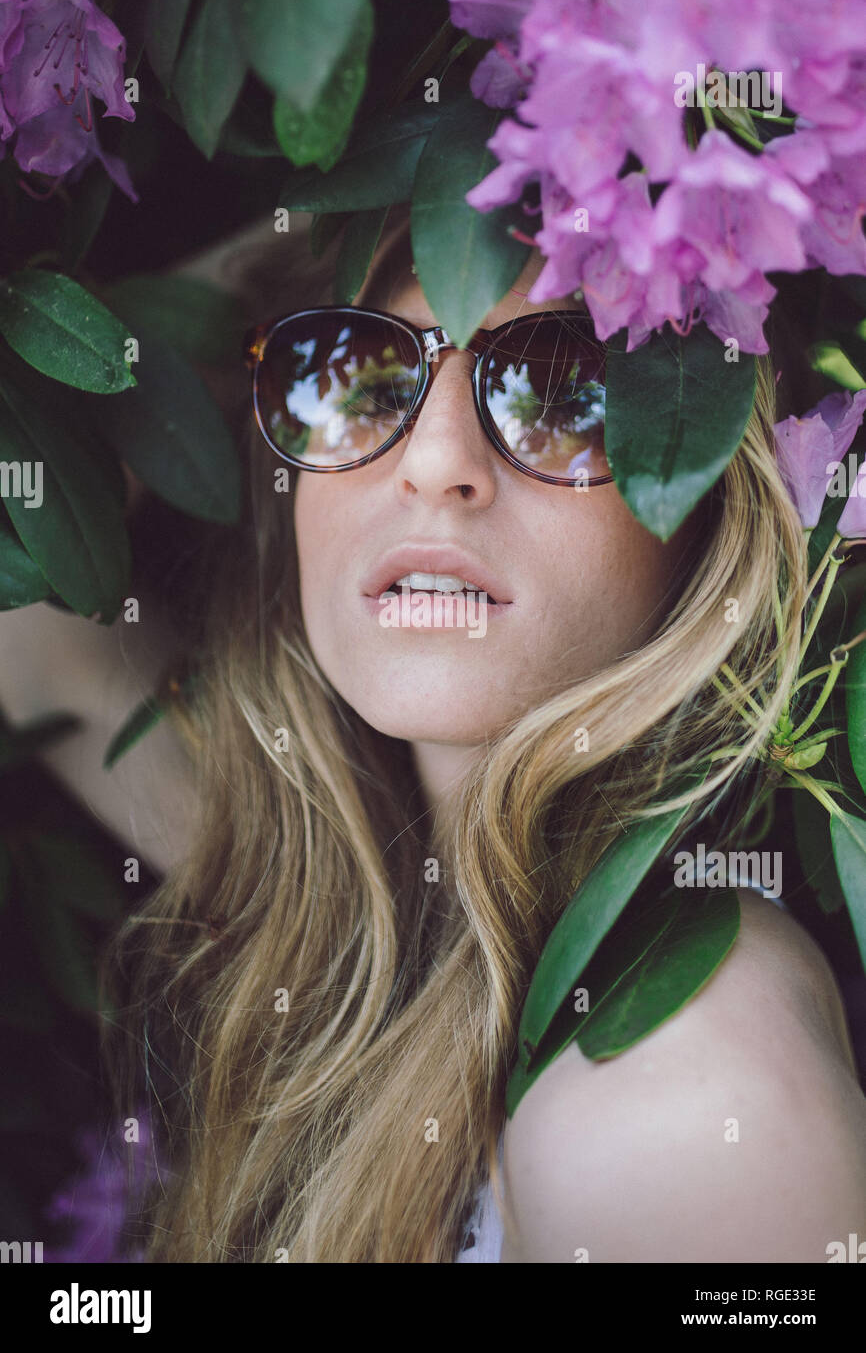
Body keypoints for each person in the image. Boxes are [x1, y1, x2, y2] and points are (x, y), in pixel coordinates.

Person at [3, 204, 865, 1263]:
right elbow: (25, 625)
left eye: (562, 388)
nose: (431, 462)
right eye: (354, 372)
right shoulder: (356, 918)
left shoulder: (683, 1090)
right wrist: (410, 172)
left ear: (705, 508)